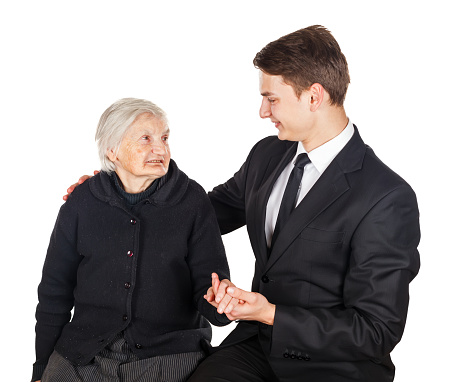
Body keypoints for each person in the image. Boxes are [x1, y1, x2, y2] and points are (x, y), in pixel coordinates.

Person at [65, 26, 420, 382]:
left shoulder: (386, 198)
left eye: (272, 98)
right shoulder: (268, 155)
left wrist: (270, 314)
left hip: (338, 364)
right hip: (257, 346)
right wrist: (117, 198)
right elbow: (198, 215)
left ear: (314, 96)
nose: (263, 111)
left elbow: (375, 332)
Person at [32, 98, 231, 382]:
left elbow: (211, 285)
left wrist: (220, 304)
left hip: (167, 357)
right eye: (145, 139)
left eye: (164, 138)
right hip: (84, 354)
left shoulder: (192, 201)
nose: (160, 149)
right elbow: (54, 292)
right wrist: (41, 367)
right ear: (112, 150)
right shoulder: (82, 202)